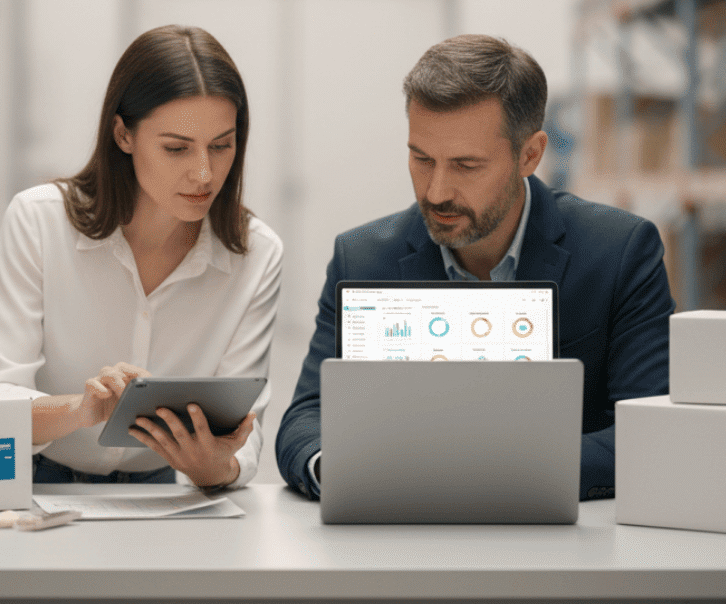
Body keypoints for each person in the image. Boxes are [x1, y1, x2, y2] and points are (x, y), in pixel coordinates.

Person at [275, 34, 671, 501]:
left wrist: (478, 472)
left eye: (465, 165)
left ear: (530, 155)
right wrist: (337, 469)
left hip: (562, 541)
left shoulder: (619, 252)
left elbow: (648, 431)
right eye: (421, 159)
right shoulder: (361, 259)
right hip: (398, 538)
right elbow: (306, 417)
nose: (437, 190)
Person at [0, 25, 282, 489]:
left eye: (222, 145)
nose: (204, 173)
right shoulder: (38, 223)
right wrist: (80, 410)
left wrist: (215, 466)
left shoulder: (256, 254)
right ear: (123, 134)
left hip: (169, 493)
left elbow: (242, 437)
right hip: (43, 486)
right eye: (176, 148)